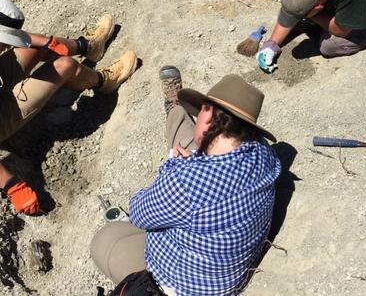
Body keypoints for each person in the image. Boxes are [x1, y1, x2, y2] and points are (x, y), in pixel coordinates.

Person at [0, 0, 137, 215]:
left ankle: (88, 46)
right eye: (3, 41)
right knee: (65, 66)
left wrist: (49, 43)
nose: (5, 48)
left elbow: (25, 40)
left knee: (34, 46)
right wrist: (13, 186)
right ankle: (103, 82)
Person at [90, 70, 280, 296]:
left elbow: (138, 212)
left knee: (105, 241)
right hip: (224, 275)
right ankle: (174, 108)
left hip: (183, 285)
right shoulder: (263, 154)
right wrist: (192, 163)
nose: (198, 114)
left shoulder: (185, 184)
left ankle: (175, 110)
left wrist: (172, 165)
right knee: (188, 140)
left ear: (208, 116)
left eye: (200, 111)